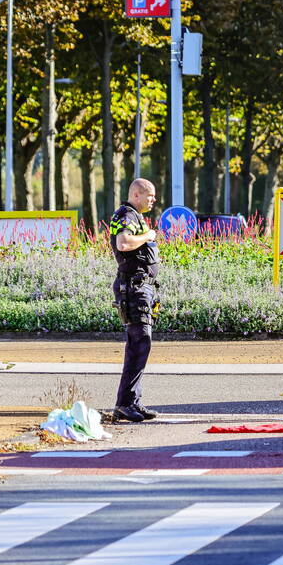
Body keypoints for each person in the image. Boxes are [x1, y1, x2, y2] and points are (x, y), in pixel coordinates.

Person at [109, 178, 161, 423]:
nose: (154, 200)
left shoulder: (134, 217)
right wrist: (148, 235)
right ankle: (125, 404)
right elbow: (124, 243)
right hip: (133, 287)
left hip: (141, 288)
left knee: (141, 344)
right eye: (150, 196)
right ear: (137, 194)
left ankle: (132, 402)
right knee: (139, 342)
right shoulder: (126, 215)